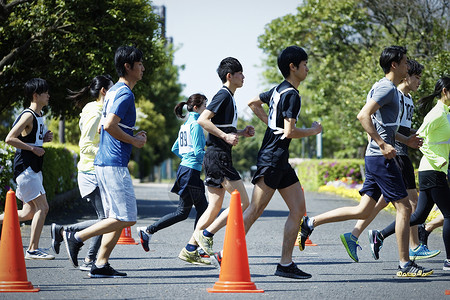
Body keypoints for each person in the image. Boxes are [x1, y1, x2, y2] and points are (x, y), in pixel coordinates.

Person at [298, 46, 433, 277]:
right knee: (405, 207)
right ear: (395, 65)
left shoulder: (387, 88)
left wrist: (404, 140)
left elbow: (383, 125)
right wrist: (382, 144)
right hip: (380, 157)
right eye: (405, 62)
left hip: (376, 156)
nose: (407, 66)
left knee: (363, 211)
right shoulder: (386, 88)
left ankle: (311, 222)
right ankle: (405, 264)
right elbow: (363, 116)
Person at [340, 59, 439, 262]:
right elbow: (381, 125)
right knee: (406, 204)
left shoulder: (407, 98)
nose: (419, 81)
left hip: (398, 154)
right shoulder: (393, 94)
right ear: (406, 75)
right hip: (393, 155)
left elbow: (398, 129)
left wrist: (416, 136)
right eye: (417, 77)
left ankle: (361, 234)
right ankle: (408, 248)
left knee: (387, 203)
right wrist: (381, 144)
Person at [63, 45, 147, 278]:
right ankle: (76, 236)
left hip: (105, 162)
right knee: (127, 218)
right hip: (113, 164)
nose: (143, 67)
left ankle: (100, 264)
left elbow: (106, 126)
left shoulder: (112, 92)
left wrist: (132, 135)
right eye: (139, 63)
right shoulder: (124, 93)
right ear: (127, 67)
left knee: (115, 218)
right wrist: (134, 140)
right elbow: (109, 125)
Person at [240, 46, 321, 279]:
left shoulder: (278, 90)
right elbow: (289, 132)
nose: (307, 68)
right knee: (255, 209)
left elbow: (253, 103)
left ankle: (285, 264)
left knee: (298, 209)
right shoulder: (292, 95)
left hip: (279, 159)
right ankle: (225, 254)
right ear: (292, 67)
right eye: (304, 64)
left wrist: (270, 124)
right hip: (273, 158)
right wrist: (314, 131)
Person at [367, 76, 450, 271]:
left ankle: (379, 235)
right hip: (432, 168)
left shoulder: (446, 113)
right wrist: (438, 159)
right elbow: (420, 138)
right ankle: (449, 261)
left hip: (436, 169)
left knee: (419, 215)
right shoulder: (436, 114)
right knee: (449, 214)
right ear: (445, 91)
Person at [191, 57, 255, 256]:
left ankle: (190, 248)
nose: (244, 76)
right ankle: (207, 234)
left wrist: (241, 132)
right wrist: (225, 136)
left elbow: (221, 126)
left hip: (215, 157)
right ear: (230, 76)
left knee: (214, 207)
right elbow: (203, 120)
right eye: (240, 73)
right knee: (243, 202)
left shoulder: (229, 97)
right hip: (219, 158)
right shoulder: (224, 95)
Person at [136, 93, 210, 265]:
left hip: (185, 169)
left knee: (193, 211)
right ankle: (193, 248)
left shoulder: (185, 125)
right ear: (197, 108)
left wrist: (186, 158)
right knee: (198, 210)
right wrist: (212, 162)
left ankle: (194, 247)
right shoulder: (197, 125)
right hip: (191, 172)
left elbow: (175, 148)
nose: (207, 108)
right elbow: (199, 152)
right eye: (205, 105)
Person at [50, 75, 114, 271]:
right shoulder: (94, 113)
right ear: (104, 91)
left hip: (97, 171)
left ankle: (88, 259)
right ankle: (67, 232)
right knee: (107, 220)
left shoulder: (98, 110)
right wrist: (108, 153)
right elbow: (85, 146)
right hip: (90, 172)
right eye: (111, 88)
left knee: (107, 219)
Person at [1, 78, 54, 260]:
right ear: (35, 95)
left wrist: (43, 139)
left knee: (28, 213)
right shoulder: (28, 115)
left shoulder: (38, 115)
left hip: (34, 168)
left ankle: (33, 248)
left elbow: (30, 138)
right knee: (43, 207)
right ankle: (32, 249)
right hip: (26, 168)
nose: (48, 95)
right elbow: (10, 138)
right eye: (45, 92)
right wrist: (33, 148)